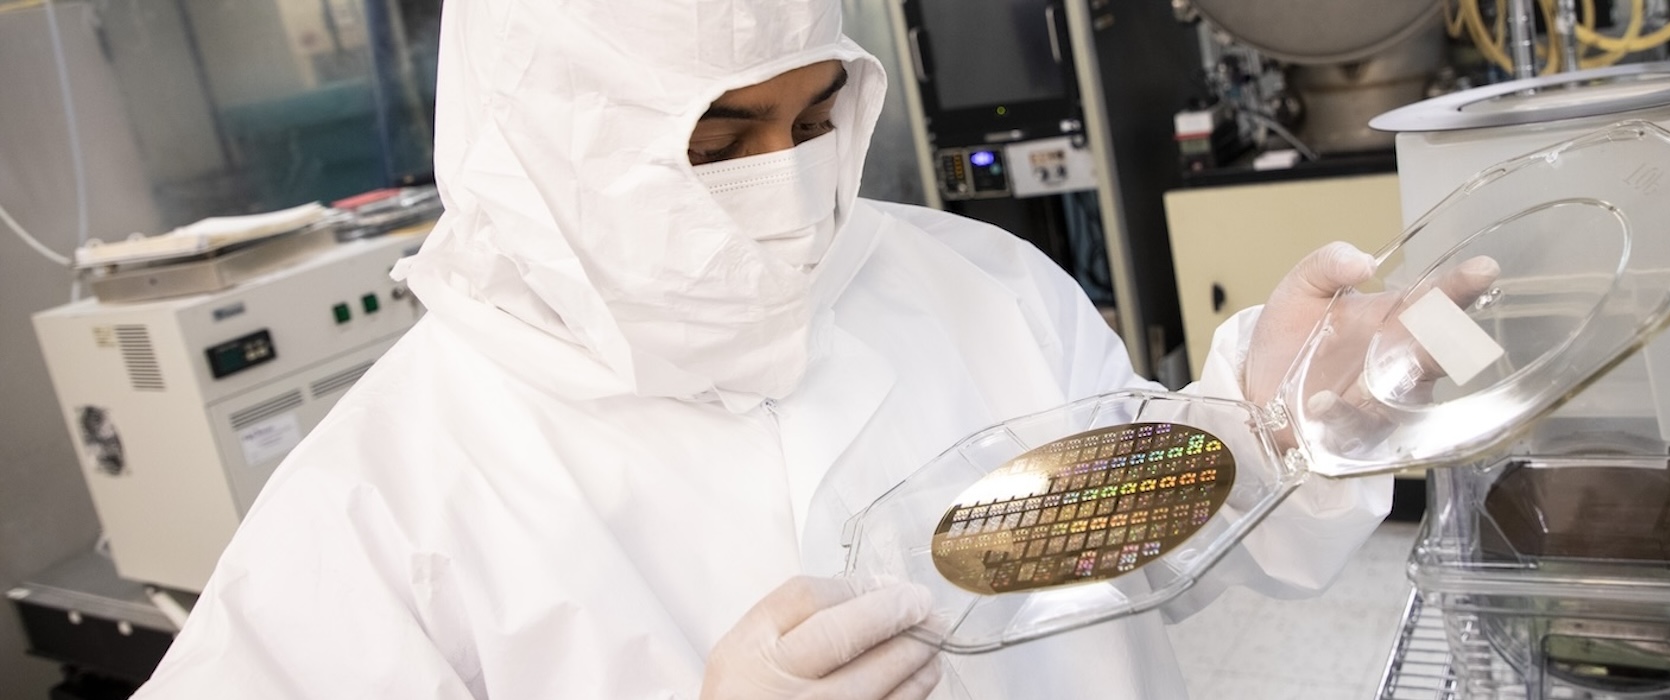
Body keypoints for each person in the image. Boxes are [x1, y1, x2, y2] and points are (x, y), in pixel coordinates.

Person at [132, 0, 1412, 697]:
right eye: (720, 136)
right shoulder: (394, 491)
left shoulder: (971, 283)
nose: (789, 184)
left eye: (815, 116)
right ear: (552, 138)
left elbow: (1134, 536)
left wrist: (1268, 424)